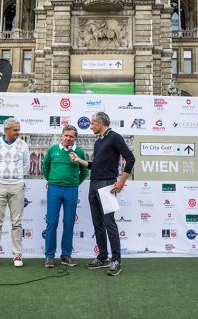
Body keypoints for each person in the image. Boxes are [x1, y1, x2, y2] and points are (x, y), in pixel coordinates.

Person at [72, 112, 135, 276]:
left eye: (92, 123)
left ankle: (116, 260)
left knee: (109, 223)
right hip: (93, 184)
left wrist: (122, 181)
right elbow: (95, 166)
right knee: (97, 223)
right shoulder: (98, 141)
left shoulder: (115, 137)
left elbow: (130, 158)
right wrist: (79, 160)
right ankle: (102, 257)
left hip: (107, 184)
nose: (90, 126)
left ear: (100, 123)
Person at [0, 117, 30, 268]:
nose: (18, 132)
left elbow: (26, 165)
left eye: (18, 130)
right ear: (6, 130)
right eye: (15, 130)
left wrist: (17, 177)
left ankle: (17, 255)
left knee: (17, 223)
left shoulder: (23, 145)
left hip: (17, 186)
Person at [42, 125, 89, 269]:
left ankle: (66, 255)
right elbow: (45, 167)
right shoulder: (53, 150)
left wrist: (75, 183)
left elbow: (85, 171)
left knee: (69, 223)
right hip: (54, 189)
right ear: (62, 136)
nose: (68, 138)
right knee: (51, 222)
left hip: (71, 190)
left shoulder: (79, 151)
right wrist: (52, 180)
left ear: (75, 138)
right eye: (66, 135)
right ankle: (49, 256)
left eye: (71, 136)